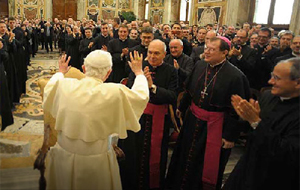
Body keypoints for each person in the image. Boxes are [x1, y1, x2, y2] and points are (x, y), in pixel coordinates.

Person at [38, 50, 149, 190]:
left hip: (63, 157)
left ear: (84, 68)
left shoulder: (64, 85)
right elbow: (141, 96)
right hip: (97, 162)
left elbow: (50, 87)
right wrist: (139, 74)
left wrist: (61, 71)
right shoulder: (116, 92)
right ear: (109, 72)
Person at [166, 37, 250, 190]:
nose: (206, 52)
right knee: (184, 156)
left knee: (204, 163)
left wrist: (230, 136)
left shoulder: (236, 76)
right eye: (206, 48)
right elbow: (190, 90)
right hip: (192, 120)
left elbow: (239, 109)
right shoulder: (200, 65)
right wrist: (182, 107)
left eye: (212, 49)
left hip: (214, 126)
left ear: (225, 52)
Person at [224, 58, 300, 190]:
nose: (270, 82)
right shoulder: (268, 96)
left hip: (276, 177)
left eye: (277, 78)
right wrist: (245, 120)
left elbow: (288, 153)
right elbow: (253, 129)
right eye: (272, 76)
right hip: (249, 165)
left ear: (297, 83)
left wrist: (256, 122)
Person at [119, 39, 178, 190]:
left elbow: (172, 96)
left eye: (156, 53)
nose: (152, 56)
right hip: (138, 118)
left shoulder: (171, 71)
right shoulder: (139, 68)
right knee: (135, 154)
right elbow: (130, 88)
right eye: (150, 52)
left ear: (164, 54)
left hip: (159, 120)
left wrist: (152, 86)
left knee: (154, 158)